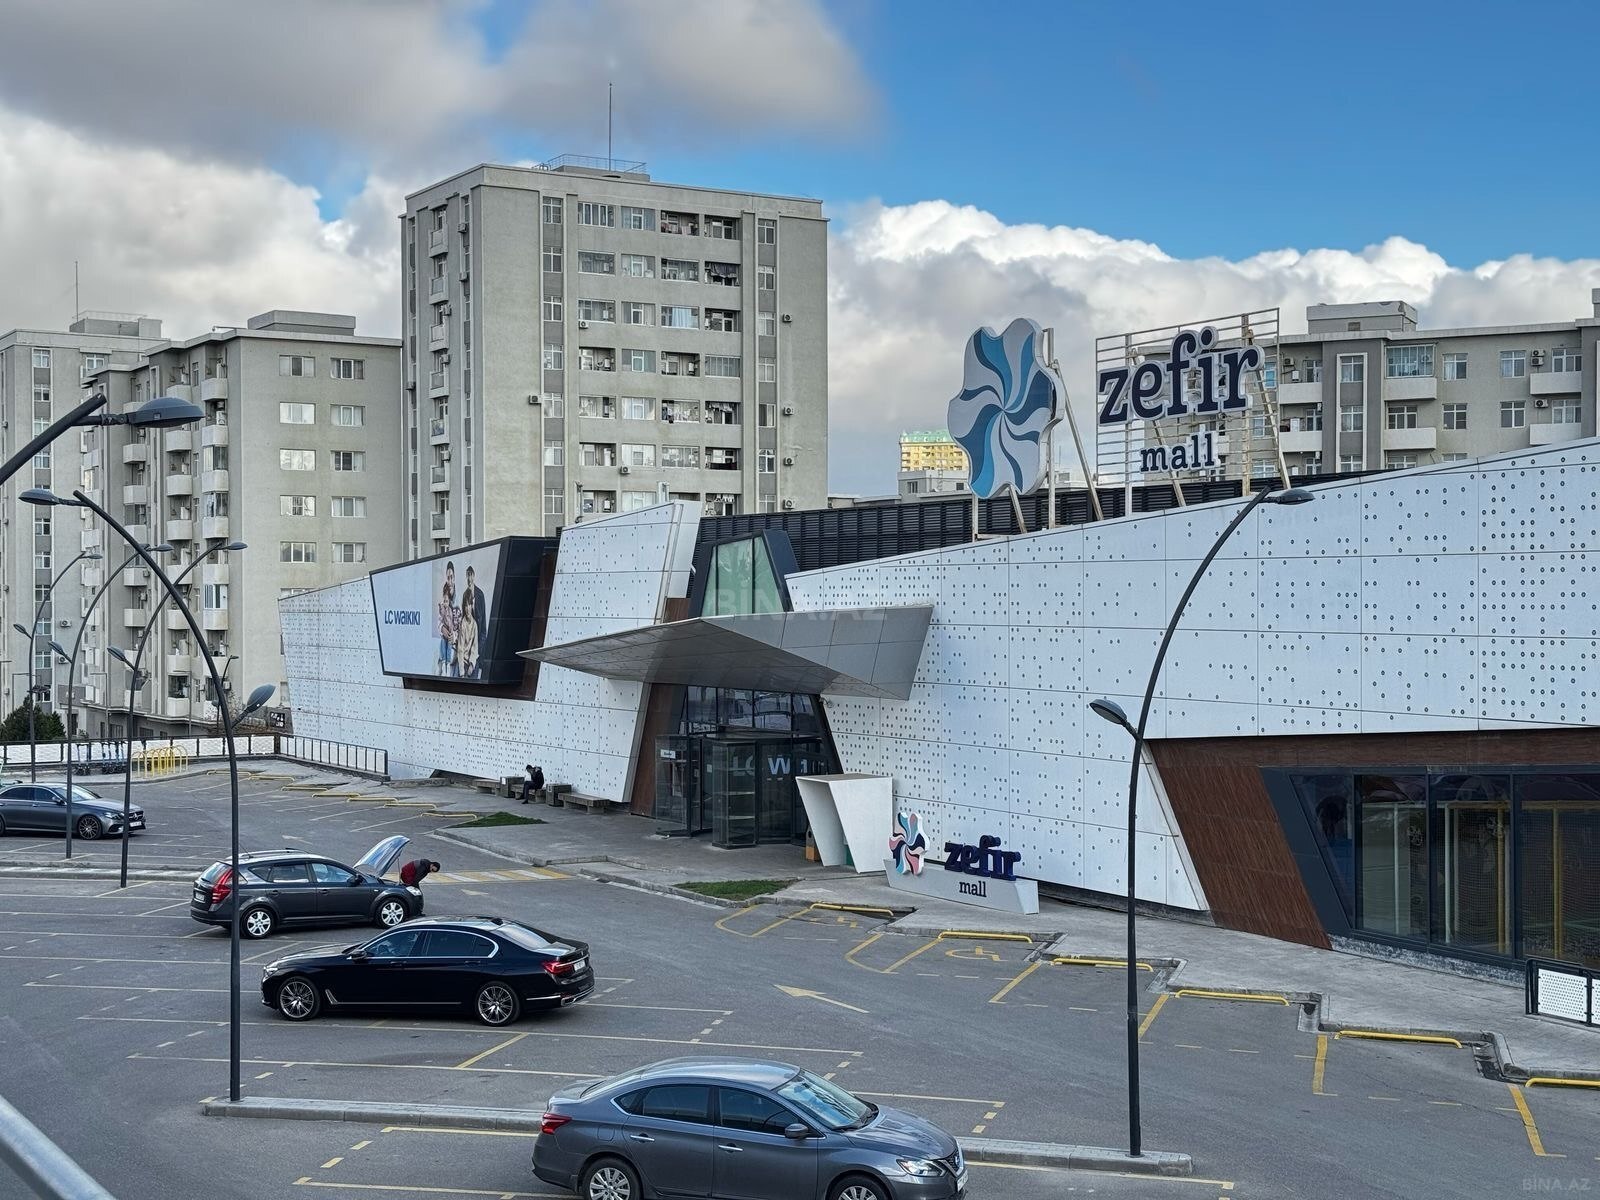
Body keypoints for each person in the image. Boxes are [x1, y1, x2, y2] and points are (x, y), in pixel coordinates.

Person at [463, 564, 488, 670]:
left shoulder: (480, 595)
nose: (469, 578)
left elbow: (483, 627)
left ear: (474, 576)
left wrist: (478, 649)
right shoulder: (465, 595)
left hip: (478, 646)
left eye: (470, 575)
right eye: (467, 575)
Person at [436, 571, 459, 677]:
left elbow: (460, 625)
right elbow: (439, 620)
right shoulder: (443, 604)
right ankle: (443, 665)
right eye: (448, 578)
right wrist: (442, 628)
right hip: (444, 639)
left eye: (451, 577)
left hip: (454, 645)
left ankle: (447, 666)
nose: (449, 581)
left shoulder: (458, 602)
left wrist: (454, 635)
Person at [457, 598, 479, 679]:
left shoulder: (475, 625)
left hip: (471, 662)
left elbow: (475, 646)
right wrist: (462, 672)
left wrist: (472, 664)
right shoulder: (462, 624)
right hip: (463, 661)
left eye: (469, 605)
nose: (467, 608)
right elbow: (460, 649)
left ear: (472, 606)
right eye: (466, 606)